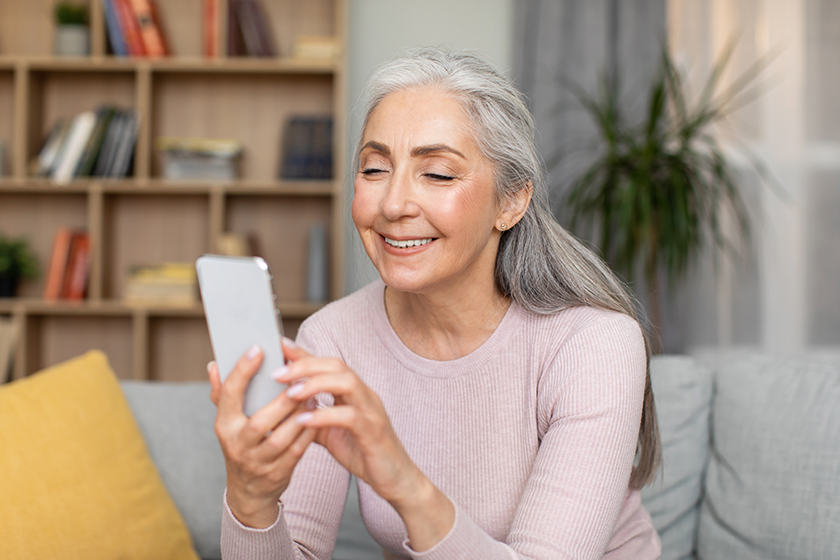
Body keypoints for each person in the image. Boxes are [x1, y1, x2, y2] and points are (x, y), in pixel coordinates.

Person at [208, 47, 662, 560]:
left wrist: (404, 481)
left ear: (511, 202)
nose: (394, 204)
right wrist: (251, 499)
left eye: (439, 174)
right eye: (374, 168)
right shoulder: (334, 339)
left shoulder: (593, 344)